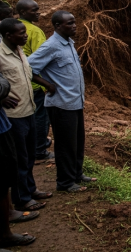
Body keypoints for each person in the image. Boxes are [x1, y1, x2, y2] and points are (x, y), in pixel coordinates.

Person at [28, 11, 94, 193]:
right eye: (69, 23)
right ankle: (65, 183)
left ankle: (76, 174)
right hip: (60, 104)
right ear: (57, 26)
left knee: (77, 141)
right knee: (65, 145)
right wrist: (47, 85)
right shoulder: (51, 46)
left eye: (74, 22)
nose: (74, 26)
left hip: (75, 102)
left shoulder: (68, 43)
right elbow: (28, 67)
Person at [0, 19, 55, 212]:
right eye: (21, 33)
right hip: (13, 115)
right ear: (8, 36)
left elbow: (28, 75)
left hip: (29, 109)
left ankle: (30, 189)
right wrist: (0, 98)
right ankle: (21, 198)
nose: (25, 35)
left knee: (29, 155)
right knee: (19, 158)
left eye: (25, 32)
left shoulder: (19, 51)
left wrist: (46, 84)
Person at [0, 66, 36, 248]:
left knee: (4, 180)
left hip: (1, 125)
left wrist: (1, 90)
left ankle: (5, 231)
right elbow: (2, 85)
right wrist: (1, 89)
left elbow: (1, 84)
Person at [15, 0, 52, 162]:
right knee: (40, 117)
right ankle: (39, 149)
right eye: (33, 10)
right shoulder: (34, 31)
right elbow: (44, 58)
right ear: (23, 12)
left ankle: (29, 146)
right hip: (35, 83)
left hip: (19, 82)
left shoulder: (12, 26)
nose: (38, 13)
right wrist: (47, 83)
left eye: (38, 9)